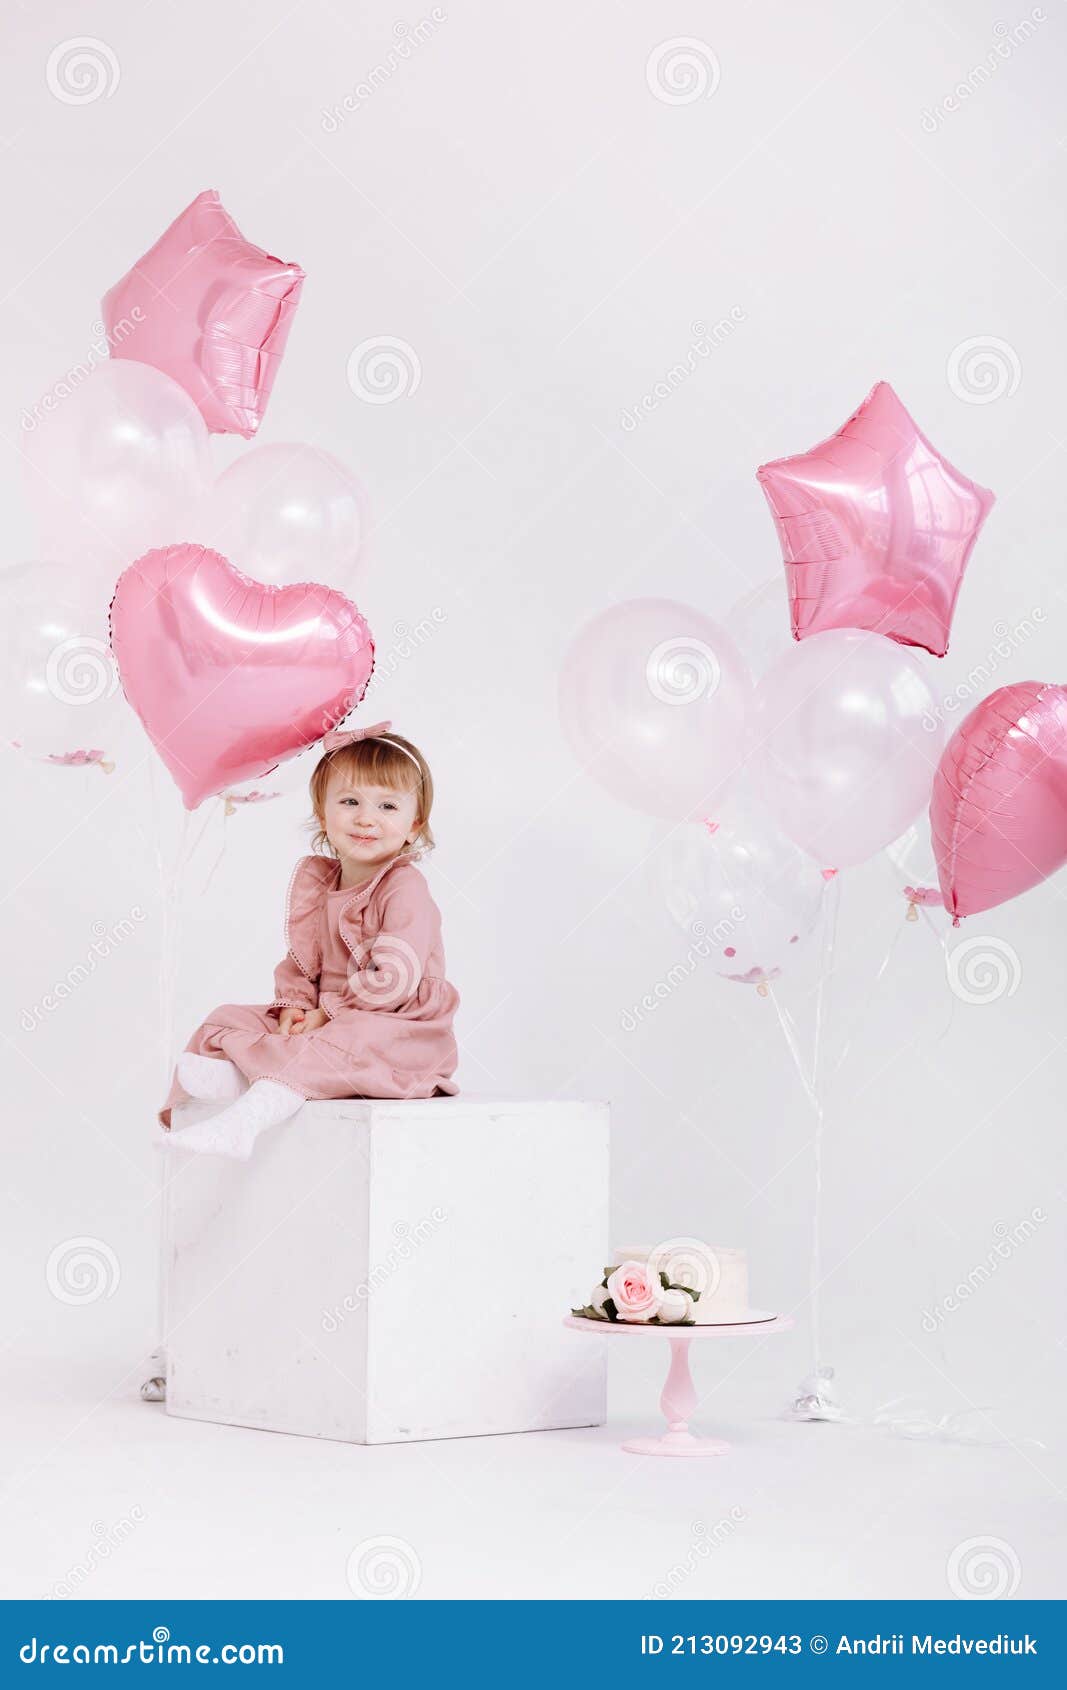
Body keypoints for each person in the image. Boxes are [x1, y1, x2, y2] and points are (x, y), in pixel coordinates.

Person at [158, 720, 460, 1159]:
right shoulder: (321, 884)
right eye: (350, 801)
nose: (366, 818)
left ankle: (246, 1121)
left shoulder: (403, 887)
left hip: (395, 1026)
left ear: (414, 824)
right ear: (323, 814)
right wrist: (296, 1008)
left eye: (388, 807)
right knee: (227, 1019)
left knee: (347, 1039)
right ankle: (241, 1080)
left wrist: (329, 1013)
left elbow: (396, 978)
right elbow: (301, 964)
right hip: (324, 1017)